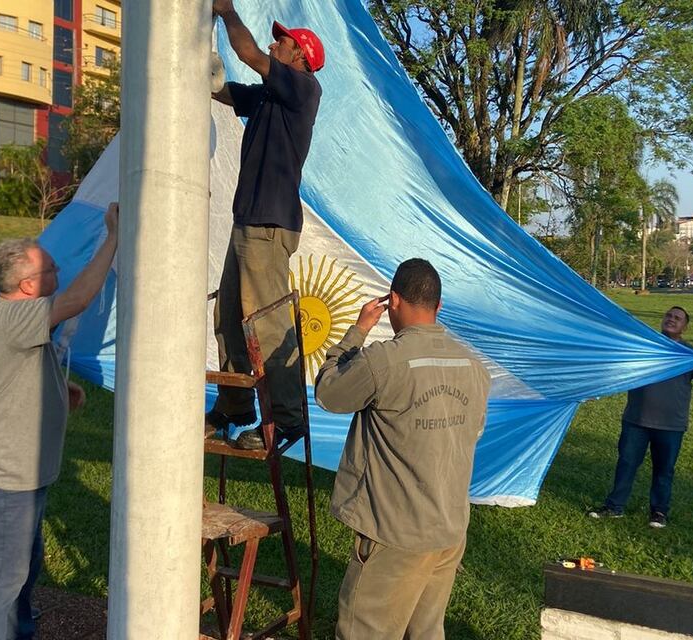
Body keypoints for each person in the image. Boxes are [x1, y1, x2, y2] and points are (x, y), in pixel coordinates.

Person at [0, 203, 118, 639]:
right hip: (1, 483)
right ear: (29, 285)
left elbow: (8, 376)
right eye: (50, 269)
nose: (58, 271)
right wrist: (113, 238)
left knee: (19, 576)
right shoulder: (12, 315)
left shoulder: (14, 320)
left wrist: (57, 392)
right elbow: (79, 299)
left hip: (16, 481)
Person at [315, 259, 491, 640]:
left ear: (393, 300)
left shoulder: (384, 361)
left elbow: (329, 393)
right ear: (438, 306)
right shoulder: (473, 366)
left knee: (366, 632)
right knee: (425, 632)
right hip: (448, 529)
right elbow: (471, 434)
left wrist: (357, 331)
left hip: (395, 533)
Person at [208, 0, 324, 449]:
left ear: (301, 59)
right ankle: (234, 407)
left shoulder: (303, 91)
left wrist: (226, 12)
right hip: (249, 223)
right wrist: (201, 66)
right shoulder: (271, 97)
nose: (276, 43)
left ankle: (289, 420)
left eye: (284, 41)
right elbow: (225, 90)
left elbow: (249, 55)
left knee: (266, 326)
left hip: (268, 225)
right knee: (229, 320)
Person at [588, 306, 693, 528]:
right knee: (626, 464)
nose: (671, 320)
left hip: (671, 424)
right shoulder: (646, 346)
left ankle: (659, 512)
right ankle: (614, 506)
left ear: (685, 327)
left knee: (664, 470)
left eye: (677, 318)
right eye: (668, 316)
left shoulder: (689, 355)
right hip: (636, 420)